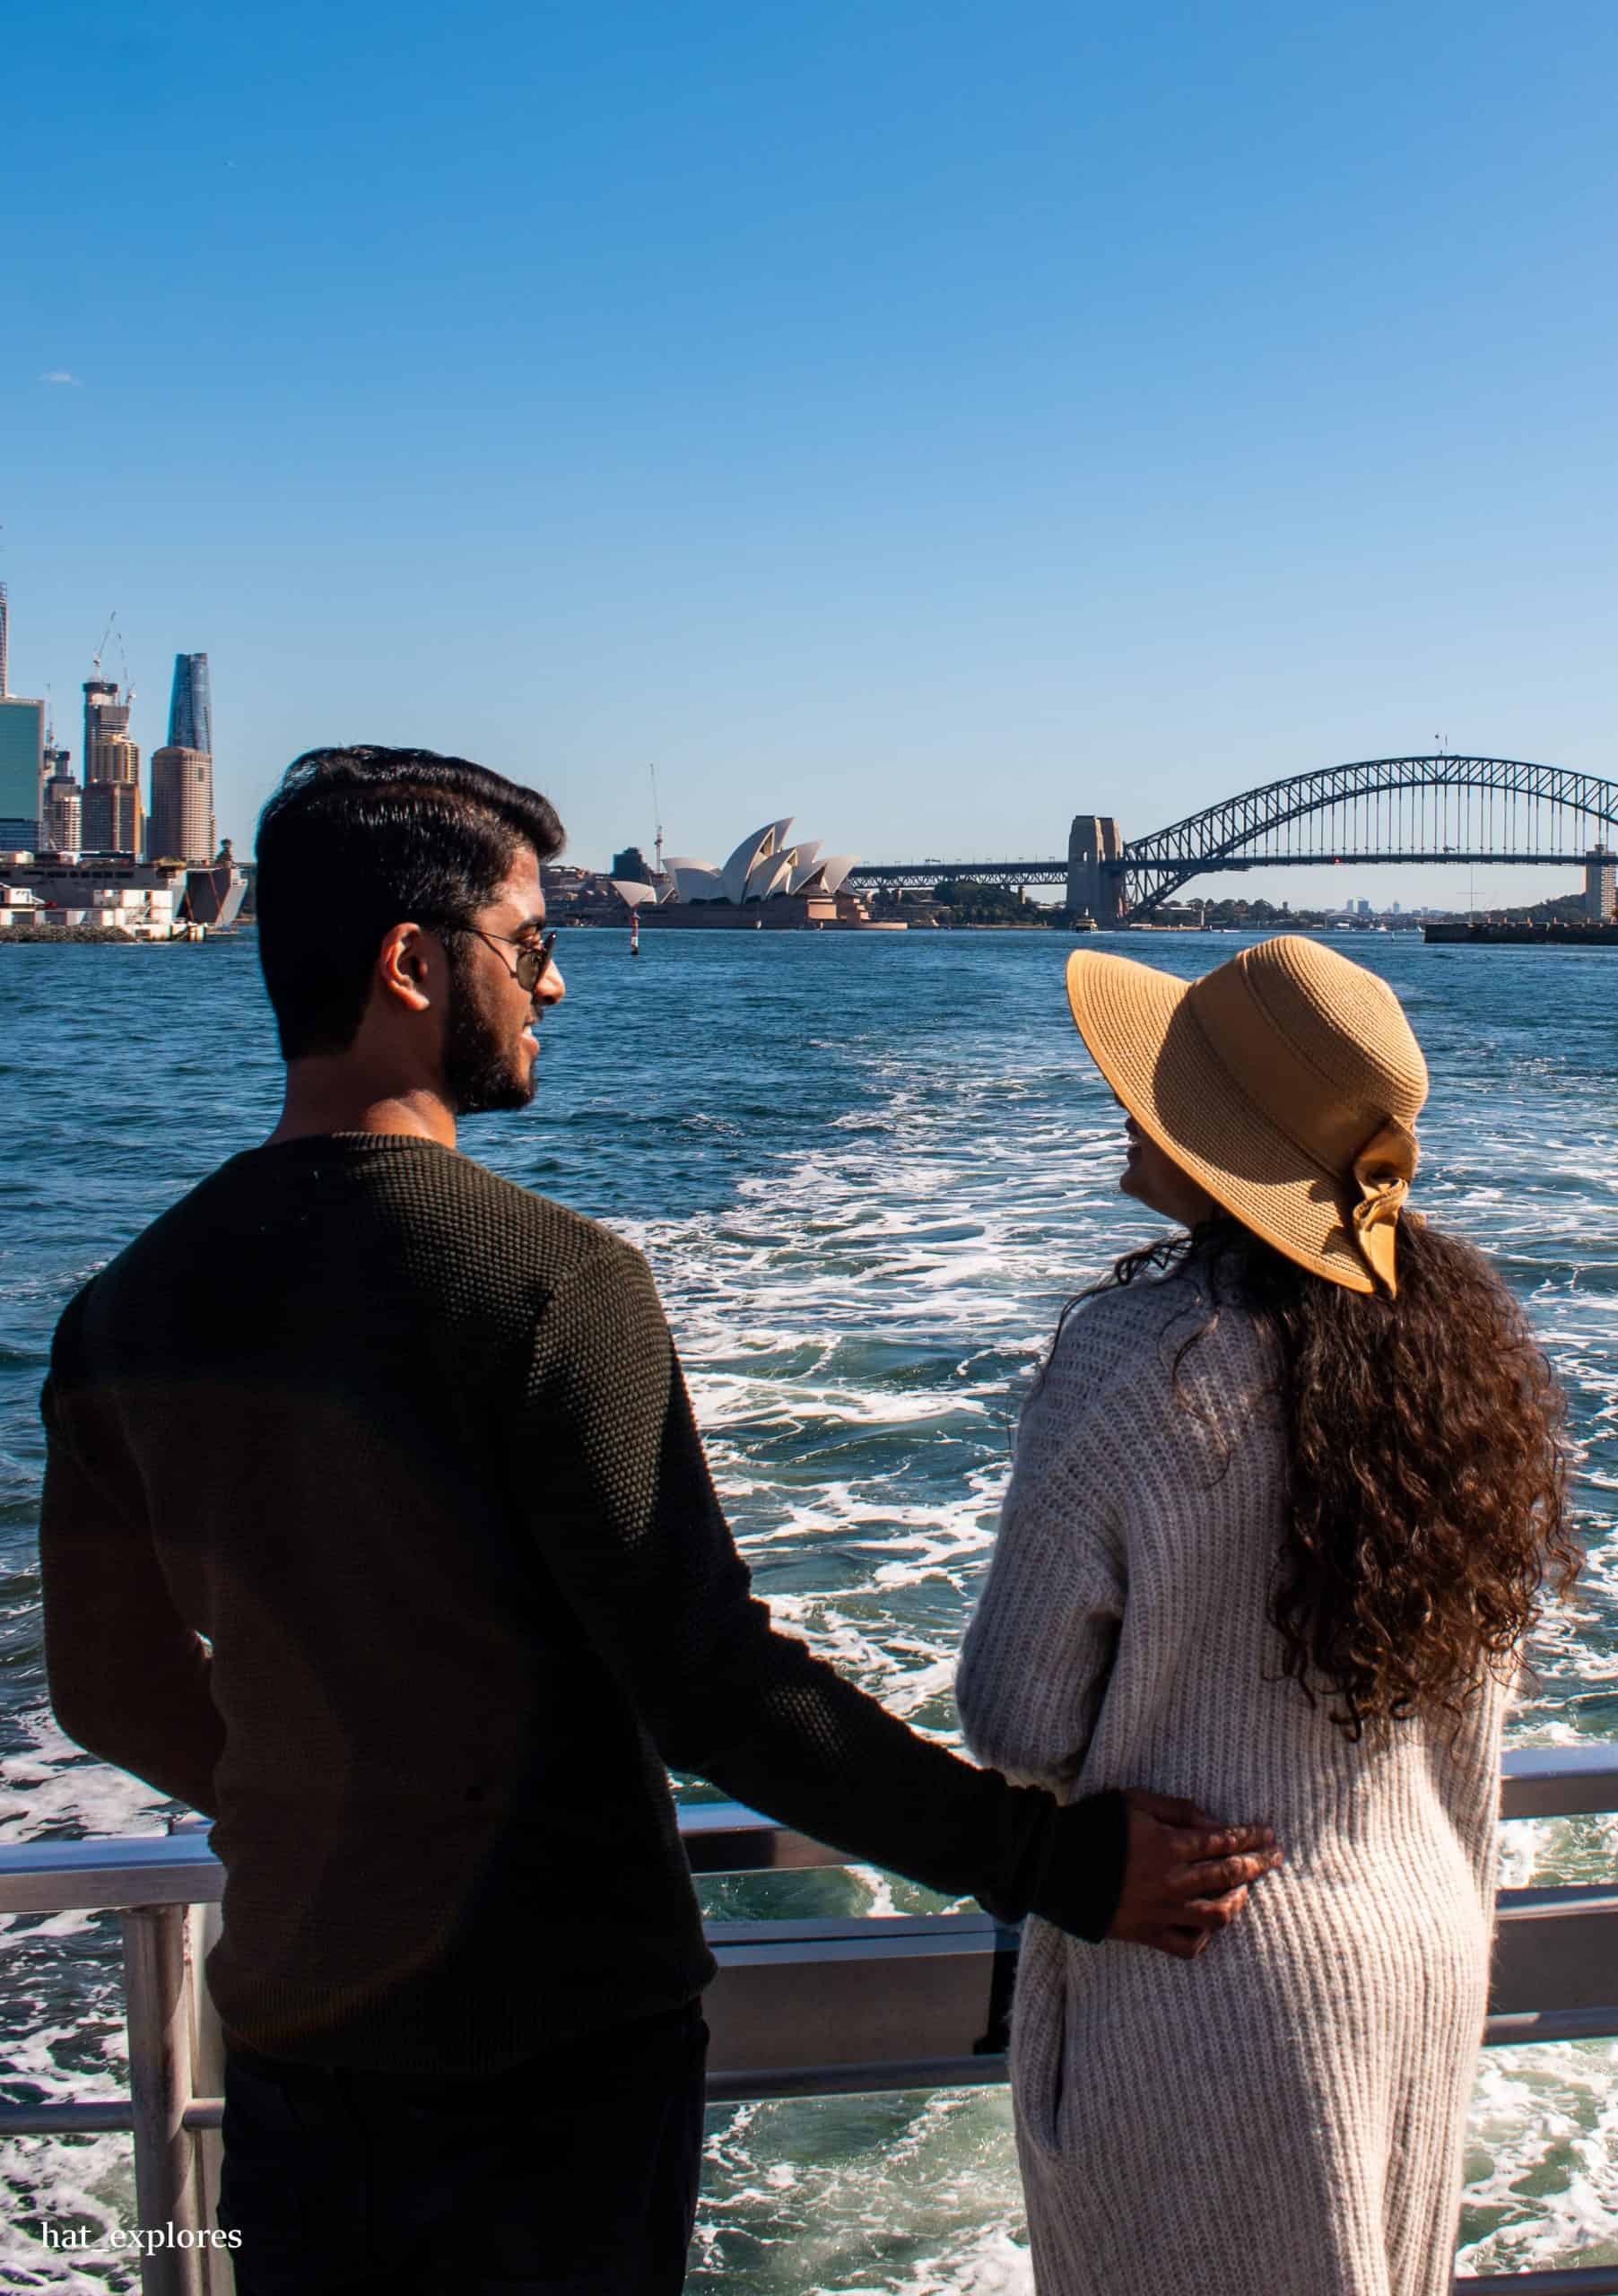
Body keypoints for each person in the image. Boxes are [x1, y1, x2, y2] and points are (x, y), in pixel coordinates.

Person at [36, 748, 1279, 2296]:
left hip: (296, 2028)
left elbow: (105, 1686)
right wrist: (1051, 1862)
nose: (554, 991)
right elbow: (706, 1679)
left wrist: (322, 1812)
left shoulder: (121, 1310)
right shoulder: (552, 1282)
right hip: (555, 2043)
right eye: (531, 946)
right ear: (413, 966)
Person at [956, 936, 1577, 2296]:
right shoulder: (1453, 1350)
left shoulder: (1141, 1360)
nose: (1128, 1103)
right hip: (1419, 1962)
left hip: (1207, 1976)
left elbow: (1016, 1717)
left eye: (1163, 1086)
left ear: (1226, 1140)